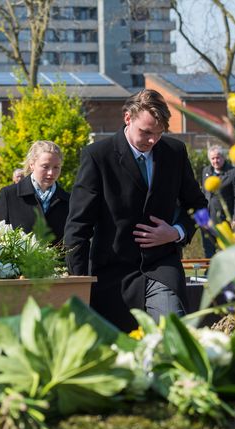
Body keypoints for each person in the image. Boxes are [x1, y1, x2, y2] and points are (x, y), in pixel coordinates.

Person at [65, 89, 207, 330]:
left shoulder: (175, 153)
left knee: (175, 337)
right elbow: (78, 227)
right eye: (147, 132)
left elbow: (199, 205)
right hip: (111, 274)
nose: (153, 141)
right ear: (127, 118)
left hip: (162, 268)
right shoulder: (98, 156)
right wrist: (79, 286)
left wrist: (176, 232)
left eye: (160, 134)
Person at [0, 141, 69, 243]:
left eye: (56, 167)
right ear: (32, 164)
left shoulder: (69, 200)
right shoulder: (9, 195)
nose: (51, 173)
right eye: (45, 166)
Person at [201, 145, 235, 257]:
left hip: (226, 220)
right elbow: (204, 194)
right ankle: (210, 273)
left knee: (227, 251)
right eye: (213, 158)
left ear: (223, 157)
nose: (216, 161)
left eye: (218, 157)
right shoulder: (206, 171)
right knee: (209, 251)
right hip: (208, 219)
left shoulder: (234, 173)